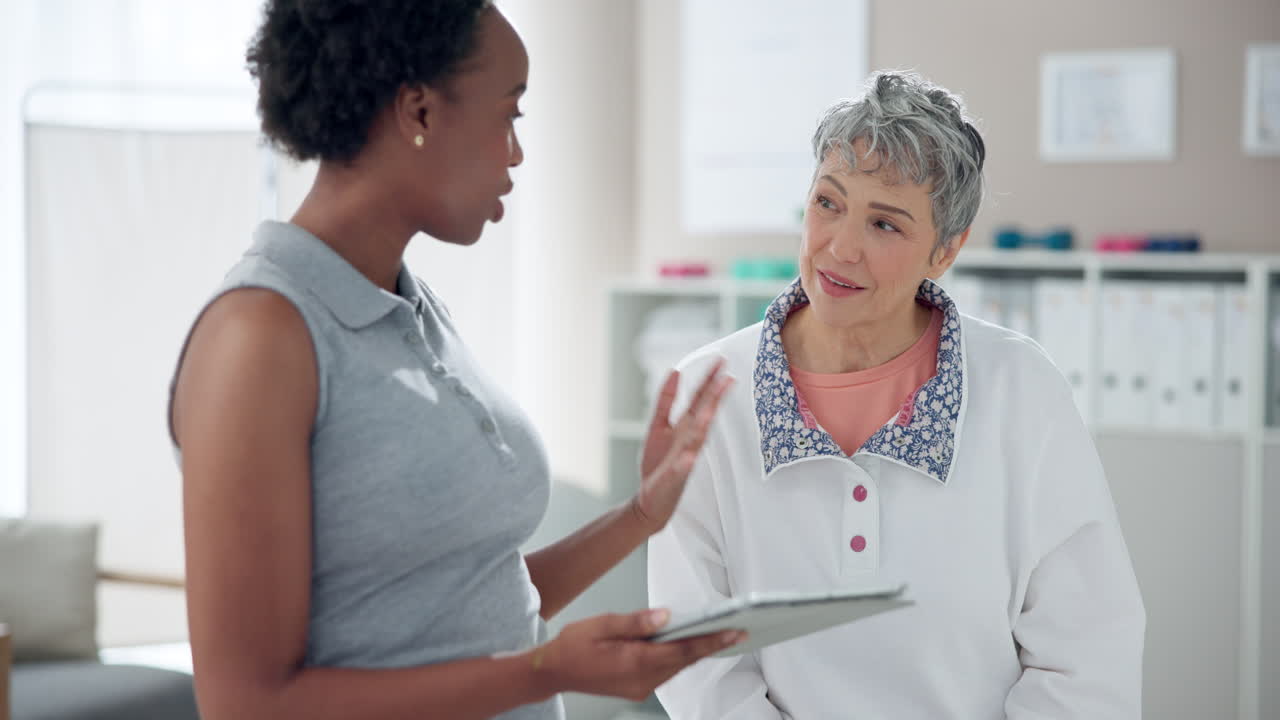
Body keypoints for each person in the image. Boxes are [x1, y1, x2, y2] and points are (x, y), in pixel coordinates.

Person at [168, 2, 741, 718]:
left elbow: (472, 607)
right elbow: (247, 705)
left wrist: (640, 514)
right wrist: (544, 671)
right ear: (420, 111)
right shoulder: (260, 338)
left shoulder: (412, 308)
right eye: (509, 114)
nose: (515, 153)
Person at [648, 70, 1145, 719]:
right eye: (828, 203)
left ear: (945, 250)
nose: (841, 247)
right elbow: (696, 657)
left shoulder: (1020, 389)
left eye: (885, 224)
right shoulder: (707, 394)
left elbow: (1088, 651)